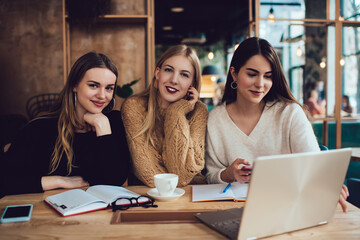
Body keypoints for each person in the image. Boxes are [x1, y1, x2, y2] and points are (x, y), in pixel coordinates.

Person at [205, 37, 349, 212]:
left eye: (268, 76)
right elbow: (211, 176)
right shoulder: (215, 119)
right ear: (234, 73)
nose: (260, 84)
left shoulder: (289, 113)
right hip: (231, 210)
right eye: (252, 74)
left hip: (288, 208)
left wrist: (326, 182)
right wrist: (228, 173)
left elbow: (314, 166)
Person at [0, 52, 130, 197]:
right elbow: (5, 181)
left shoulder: (115, 122)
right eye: (93, 85)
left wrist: (103, 128)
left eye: (109, 88)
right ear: (75, 85)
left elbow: (114, 181)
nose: (102, 95)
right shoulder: (40, 128)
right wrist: (58, 181)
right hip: (49, 214)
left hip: (99, 215)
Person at [121, 45, 208, 187]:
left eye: (184, 75)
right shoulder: (134, 107)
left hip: (191, 197)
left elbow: (183, 174)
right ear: (157, 73)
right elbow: (151, 175)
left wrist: (176, 112)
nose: (174, 80)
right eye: (168, 70)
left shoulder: (199, 111)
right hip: (147, 199)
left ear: (192, 83)